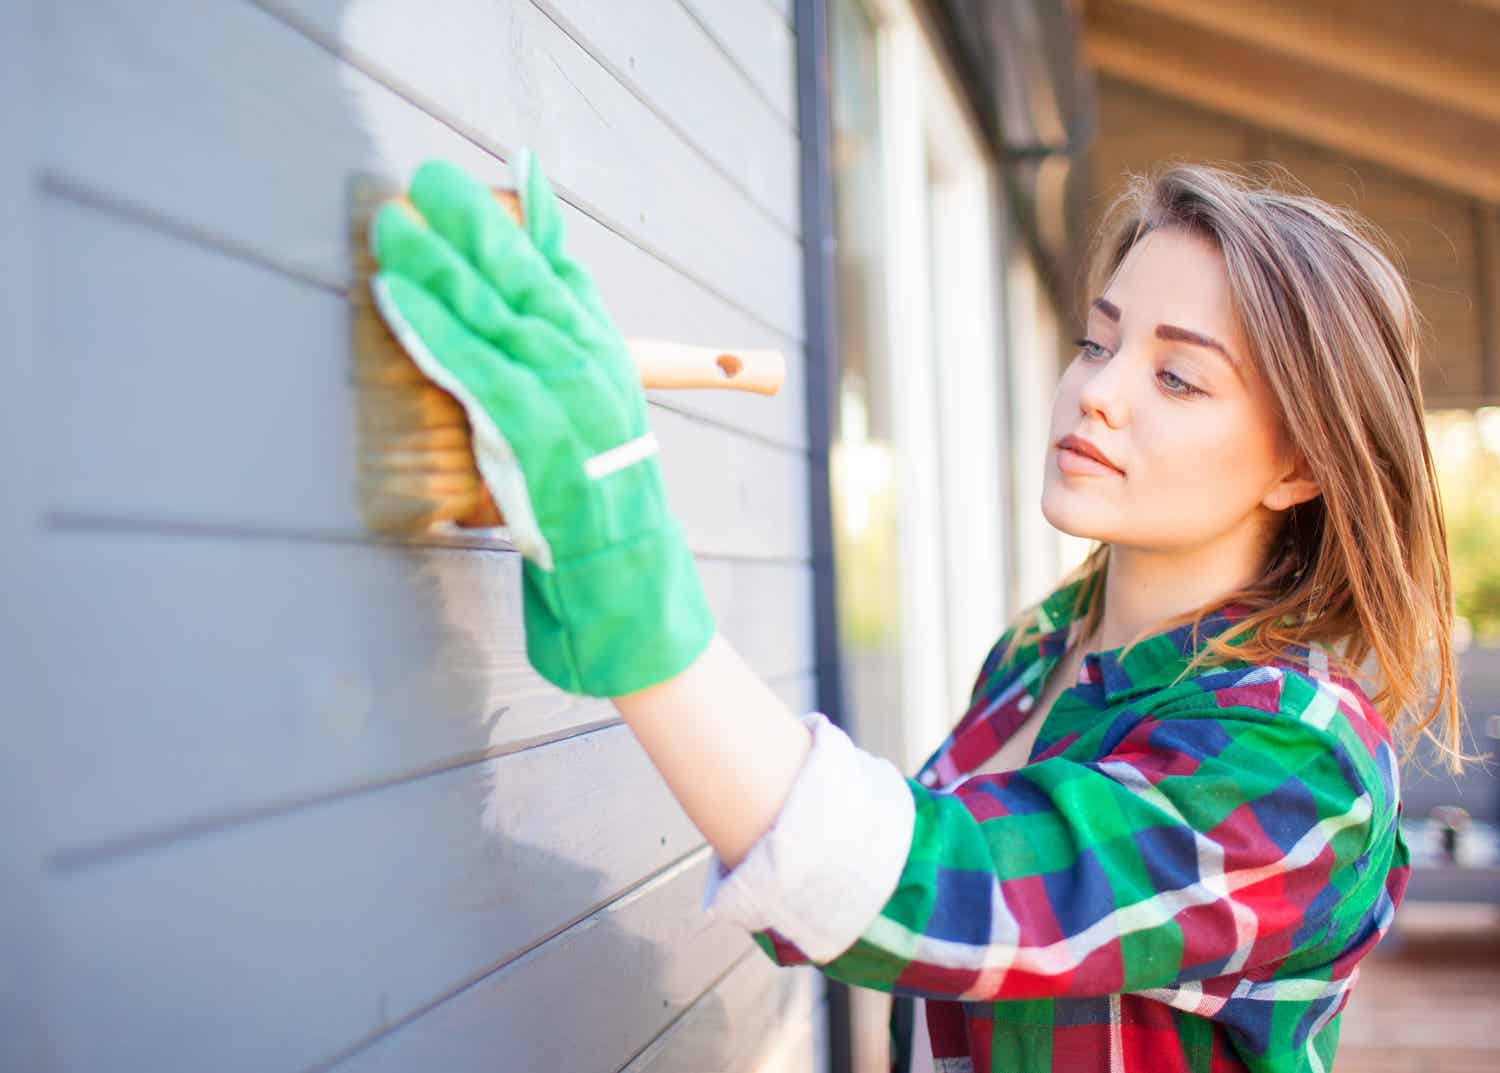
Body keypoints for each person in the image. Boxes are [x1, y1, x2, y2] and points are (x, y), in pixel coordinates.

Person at [368, 151, 1468, 1073]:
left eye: (1179, 378)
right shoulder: (1048, 646)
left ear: (1300, 466)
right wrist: (578, 549)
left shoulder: (1296, 760)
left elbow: (939, 894)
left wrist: (631, 578)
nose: (1097, 389)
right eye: (1099, 339)